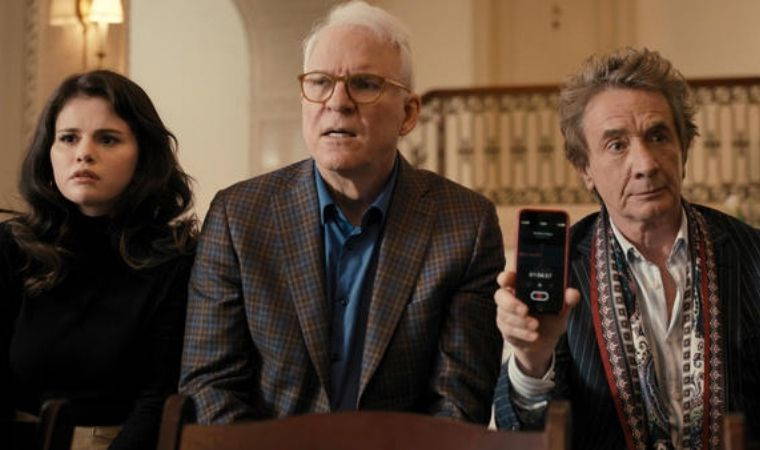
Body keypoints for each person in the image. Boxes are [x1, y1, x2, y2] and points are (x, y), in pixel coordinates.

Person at [179, 0, 504, 424]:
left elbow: (457, 405)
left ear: (408, 114)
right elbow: (209, 386)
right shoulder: (238, 218)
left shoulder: (465, 226)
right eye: (319, 82)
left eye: (364, 84)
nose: (338, 102)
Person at [493, 47, 760, 449]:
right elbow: (524, 433)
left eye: (658, 136)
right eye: (617, 145)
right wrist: (533, 359)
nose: (646, 164)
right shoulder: (565, 268)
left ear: (684, 148)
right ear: (585, 169)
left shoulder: (751, 255)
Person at [0, 70, 196, 450]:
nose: (84, 153)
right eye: (68, 138)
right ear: (48, 151)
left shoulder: (175, 259)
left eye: (107, 139)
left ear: (144, 155)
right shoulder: (12, 246)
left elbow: (158, 400)